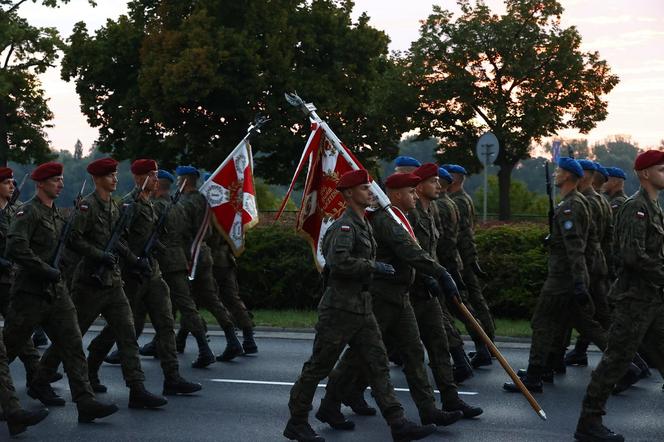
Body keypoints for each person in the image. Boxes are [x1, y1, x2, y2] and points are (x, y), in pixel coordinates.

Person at [319, 171, 479, 433]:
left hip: (401, 296)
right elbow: (409, 251)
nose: (415, 196)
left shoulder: (399, 217)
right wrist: (439, 273)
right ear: (395, 195)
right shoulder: (386, 219)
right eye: (410, 192)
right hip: (383, 297)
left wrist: (430, 275)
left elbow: (414, 254)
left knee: (414, 352)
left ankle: (428, 410)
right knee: (360, 355)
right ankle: (330, 403)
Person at [285, 169, 437, 442]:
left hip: (363, 306)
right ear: (349, 194)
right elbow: (338, 263)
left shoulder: (365, 224)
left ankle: (397, 422)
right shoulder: (344, 227)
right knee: (319, 367)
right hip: (339, 309)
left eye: (370, 188)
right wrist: (373, 266)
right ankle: (297, 421)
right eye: (365, 188)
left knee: (378, 364)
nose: (371, 192)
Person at [35, 158, 167, 410]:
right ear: (97, 179)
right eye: (110, 176)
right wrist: (98, 255)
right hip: (90, 284)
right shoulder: (88, 207)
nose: (115, 179)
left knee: (128, 334)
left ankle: (136, 389)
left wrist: (133, 260)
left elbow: (116, 240)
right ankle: (41, 379)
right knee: (72, 336)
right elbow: (72, 238)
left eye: (116, 175)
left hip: (113, 282)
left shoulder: (114, 208)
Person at [3, 161, 118, 423]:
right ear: (41, 183)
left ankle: (85, 401)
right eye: (55, 180)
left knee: (73, 343)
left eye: (61, 179)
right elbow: (16, 249)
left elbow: (69, 248)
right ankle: (11, 401)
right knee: (9, 347)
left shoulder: (58, 215)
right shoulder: (27, 213)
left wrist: (61, 273)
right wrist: (45, 269)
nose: (61, 184)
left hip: (56, 291)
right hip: (29, 293)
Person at [86, 159, 201, 396]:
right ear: (139, 178)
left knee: (166, 323)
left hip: (152, 272)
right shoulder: (128, 205)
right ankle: (90, 369)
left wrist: (158, 247)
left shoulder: (150, 204)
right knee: (120, 328)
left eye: (156, 174)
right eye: (151, 174)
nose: (156, 178)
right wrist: (133, 259)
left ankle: (172, 377)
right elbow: (116, 239)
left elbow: (153, 235)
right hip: (132, 275)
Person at [574, 150, 664, 442]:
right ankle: (589, 422)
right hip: (633, 300)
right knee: (616, 361)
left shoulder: (654, 206)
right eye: (661, 169)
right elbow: (632, 256)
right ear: (644, 174)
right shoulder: (635, 207)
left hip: (652, 298)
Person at [503, 157, 608, 393]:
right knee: (586, 324)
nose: (555, 174)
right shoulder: (572, 203)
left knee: (542, 322)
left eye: (559, 171)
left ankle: (534, 375)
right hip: (570, 278)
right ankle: (626, 364)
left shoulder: (571, 205)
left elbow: (576, 247)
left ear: (569, 176)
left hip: (562, 279)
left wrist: (580, 282)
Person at [140, 169, 217, 368]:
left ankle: (125, 349)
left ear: (157, 185)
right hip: (180, 259)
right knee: (183, 305)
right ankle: (199, 347)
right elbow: (191, 232)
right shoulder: (178, 207)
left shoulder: (157, 207)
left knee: (140, 305)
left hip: (162, 261)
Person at [176, 165, 244, 362]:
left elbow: (180, 230)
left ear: (184, 181)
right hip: (204, 253)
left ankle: (201, 346)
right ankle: (232, 340)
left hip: (189, 255)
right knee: (211, 299)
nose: (178, 183)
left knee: (186, 301)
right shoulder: (204, 200)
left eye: (179, 180)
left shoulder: (185, 203)